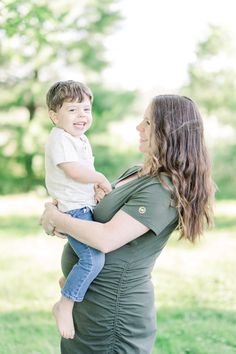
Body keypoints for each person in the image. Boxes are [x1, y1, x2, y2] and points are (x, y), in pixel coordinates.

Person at [40, 94, 214, 354]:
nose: (138, 127)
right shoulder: (136, 172)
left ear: (169, 132)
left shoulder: (162, 190)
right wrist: (63, 219)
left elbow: (106, 238)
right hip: (87, 305)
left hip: (113, 316)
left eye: (147, 122)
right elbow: (92, 223)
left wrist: (57, 218)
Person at [44, 80, 112, 339]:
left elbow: (79, 174)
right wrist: (100, 179)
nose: (82, 115)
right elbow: (72, 170)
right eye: (72, 110)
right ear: (54, 115)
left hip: (81, 204)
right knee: (93, 258)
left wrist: (93, 191)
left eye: (86, 109)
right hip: (73, 210)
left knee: (86, 256)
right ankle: (65, 304)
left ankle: (69, 283)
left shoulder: (80, 139)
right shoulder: (60, 138)